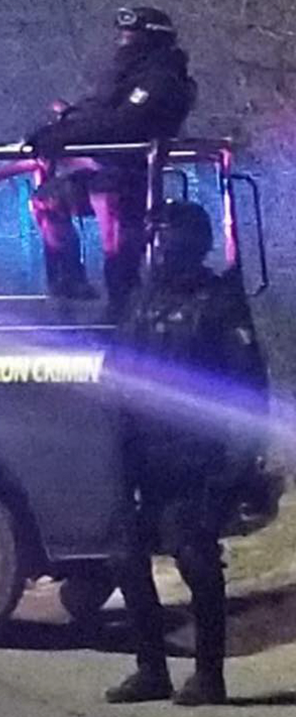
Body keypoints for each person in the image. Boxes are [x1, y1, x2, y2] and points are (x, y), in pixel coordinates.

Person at [105, 202, 268, 706]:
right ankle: (151, 670)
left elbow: (248, 389)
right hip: (141, 454)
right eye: (154, 237)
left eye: (166, 237)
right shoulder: (142, 300)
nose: (156, 247)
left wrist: (237, 466)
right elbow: (119, 370)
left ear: (189, 243)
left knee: (196, 561)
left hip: (197, 458)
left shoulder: (217, 303)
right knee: (125, 558)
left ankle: (209, 676)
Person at [27, 6, 197, 315]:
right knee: (46, 201)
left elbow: (124, 124)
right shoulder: (121, 76)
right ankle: (69, 282)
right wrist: (58, 128)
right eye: (123, 34)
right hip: (103, 167)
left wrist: (65, 136)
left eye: (132, 35)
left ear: (151, 39)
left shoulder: (163, 78)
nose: (124, 41)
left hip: (133, 173)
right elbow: (95, 112)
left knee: (112, 217)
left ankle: (122, 304)